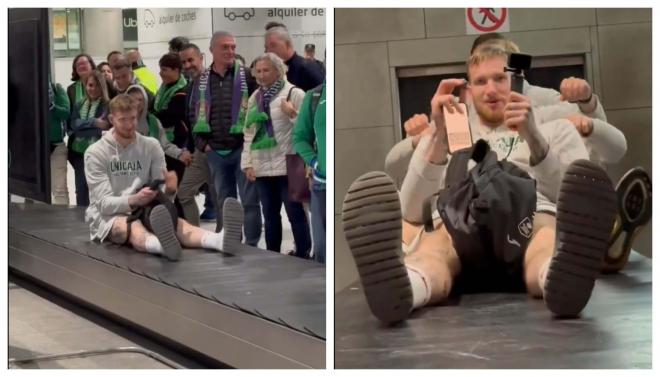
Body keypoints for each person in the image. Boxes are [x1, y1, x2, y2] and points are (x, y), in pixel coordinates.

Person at [342, 45, 618, 324]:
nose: (491, 90)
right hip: (458, 219)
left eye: (499, 78)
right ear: (469, 90)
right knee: (434, 248)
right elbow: (411, 211)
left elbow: (569, 203)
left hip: (529, 217)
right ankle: (406, 290)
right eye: (480, 82)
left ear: (516, 81)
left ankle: (558, 281)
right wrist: (437, 136)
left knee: (546, 238)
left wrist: (533, 137)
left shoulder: (555, 129)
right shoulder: (448, 133)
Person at [84, 94, 240, 261]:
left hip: (146, 207)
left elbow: (163, 198)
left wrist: (171, 189)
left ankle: (219, 240)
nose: (129, 125)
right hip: (110, 214)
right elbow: (103, 205)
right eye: (123, 120)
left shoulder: (151, 145)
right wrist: (135, 199)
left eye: (133, 119)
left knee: (177, 224)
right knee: (131, 226)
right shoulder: (96, 153)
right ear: (111, 119)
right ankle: (160, 246)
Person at [189, 31, 262, 245]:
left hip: (242, 149)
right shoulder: (200, 80)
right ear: (212, 50)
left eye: (233, 47)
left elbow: (259, 110)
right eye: (225, 47)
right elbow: (193, 114)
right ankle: (232, 241)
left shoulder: (248, 76)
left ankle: (252, 244)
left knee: (249, 201)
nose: (230, 51)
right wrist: (203, 146)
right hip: (215, 153)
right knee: (225, 201)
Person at [241, 53, 311, 257]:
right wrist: (248, 164)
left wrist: (292, 114)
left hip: (288, 164)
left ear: (278, 71)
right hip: (262, 166)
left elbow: (307, 130)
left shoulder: (294, 94)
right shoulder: (255, 98)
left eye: (266, 70)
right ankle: (272, 254)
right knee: (270, 216)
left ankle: (303, 252)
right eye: (258, 71)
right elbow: (249, 133)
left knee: (295, 213)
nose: (261, 75)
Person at [178, 43, 219, 225]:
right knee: (184, 192)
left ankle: (225, 237)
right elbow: (191, 122)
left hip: (216, 149)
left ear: (201, 57)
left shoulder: (215, 81)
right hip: (199, 150)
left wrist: (214, 144)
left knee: (220, 195)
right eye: (183, 62)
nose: (187, 65)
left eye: (190, 60)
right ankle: (195, 232)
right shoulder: (191, 86)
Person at [67, 70, 111, 206]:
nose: (93, 89)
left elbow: (104, 128)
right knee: (81, 191)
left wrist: (84, 126)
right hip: (79, 154)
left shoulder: (108, 105)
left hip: (100, 156)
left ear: (102, 87)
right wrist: (93, 122)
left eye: (97, 85)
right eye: (90, 85)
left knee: (99, 191)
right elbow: (74, 125)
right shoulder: (79, 104)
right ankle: (81, 224)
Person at [293, 83, 326, 263]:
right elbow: (300, 137)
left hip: (352, 183)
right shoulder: (315, 96)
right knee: (322, 249)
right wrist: (314, 161)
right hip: (322, 183)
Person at [126, 84, 191, 166]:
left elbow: (164, 145)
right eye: (132, 99)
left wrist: (180, 154)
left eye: (140, 99)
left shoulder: (153, 121)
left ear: (145, 101)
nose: (136, 103)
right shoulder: (120, 121)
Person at [154, 53, 190, 196]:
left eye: (164, 69)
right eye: (160, 69)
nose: (160, 73)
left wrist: (151, 116)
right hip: (164, 141)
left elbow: (169, 117)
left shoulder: (182, 91)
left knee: (175, 187)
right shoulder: (164, 87)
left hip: (177, 142)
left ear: (176, 70)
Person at [264, 27, 324, 91]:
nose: (269, 51)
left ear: (287, 44)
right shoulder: (274, 71)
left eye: (273, 45)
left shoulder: (307, 68)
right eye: (266, 47)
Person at [48, 79, 71, 205]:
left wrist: (51, 106)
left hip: (57, 147)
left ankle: (62, 223)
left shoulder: (57, 89)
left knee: (59, 189)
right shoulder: (27, 90)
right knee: (32, 192)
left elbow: (66, 113)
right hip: (33, 148)